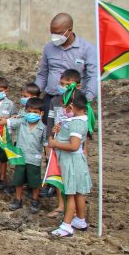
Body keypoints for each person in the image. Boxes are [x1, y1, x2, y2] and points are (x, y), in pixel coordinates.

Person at [36, 13, 97, 121]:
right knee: (48, 129)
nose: (55, 37)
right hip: (51, 98)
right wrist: (34, 94)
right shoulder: (49, 48)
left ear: (69, 30)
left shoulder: (87, 49)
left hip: (74, 101)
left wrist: (87, 98)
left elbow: (93, 76)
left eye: (58, 33)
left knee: (71, 132)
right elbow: (43, 74)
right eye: (52, 33)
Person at [48, 90, 92, 238]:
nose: (65, 111)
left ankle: (66, 226)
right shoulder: (74, 121)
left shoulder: (77, 124)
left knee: (70, 194)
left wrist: (56, 143)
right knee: (79, 193)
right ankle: (80, 220)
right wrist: (57, 132)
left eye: (66, 108)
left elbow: (73, 146)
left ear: (72, 107)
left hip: (72, 162)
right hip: (73, 162)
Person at [44, 69, 84, 218]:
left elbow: (86, 128)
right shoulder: (55, 101)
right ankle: (61, 205)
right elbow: (50, 121)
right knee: (58, 175)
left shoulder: (80, 103)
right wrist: (49, 141)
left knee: (72, 178)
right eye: (61, 84)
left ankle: (73, 211)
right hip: (56, 144)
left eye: (68, 84)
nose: (64, 86)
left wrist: (85, 148)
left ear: (77, 86)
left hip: (72, 146)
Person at [0, 97, 47, 213]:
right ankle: (18, 199)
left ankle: (35, 200)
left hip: (34, 159)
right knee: (18, 180)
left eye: (35, 112)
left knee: (34, 182)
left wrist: (48, 157)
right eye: (29, 112)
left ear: (41, 113)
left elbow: (46, 144)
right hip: (20, 157)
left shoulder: (43, 128)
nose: (31, 114)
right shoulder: (21, 122)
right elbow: (8, 122)